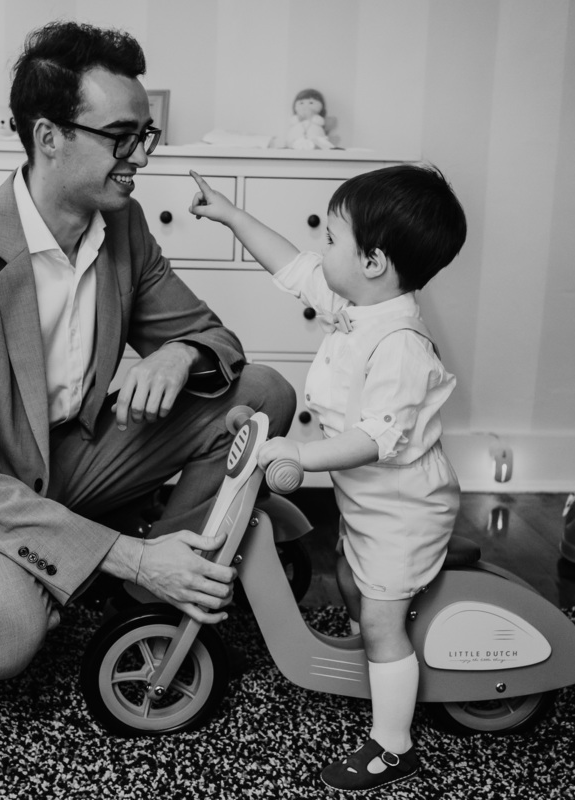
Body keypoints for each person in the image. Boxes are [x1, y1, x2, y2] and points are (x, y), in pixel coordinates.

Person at [0, 20, 295, 683]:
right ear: (49, 137)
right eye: (120, 137)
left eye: (144, 135)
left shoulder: (123, 226)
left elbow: (218, 341)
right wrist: (131, 554)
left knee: (263, 395)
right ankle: (106, 561)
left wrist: (180, 353)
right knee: (0, 638)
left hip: (70, 457)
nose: (140, 157)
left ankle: (149, 589)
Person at [189, 164, 466, 792]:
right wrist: (230, 214)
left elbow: (374, 439)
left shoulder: (400, 343)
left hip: (404, 507)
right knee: (348, 578)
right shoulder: (359, 303)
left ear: (373, 262)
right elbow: (291, 265)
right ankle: (377, 667)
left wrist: (299, 454)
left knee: (381, 619)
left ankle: (393, 747)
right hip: (369, 500)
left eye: (333, 239)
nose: (322, 248)